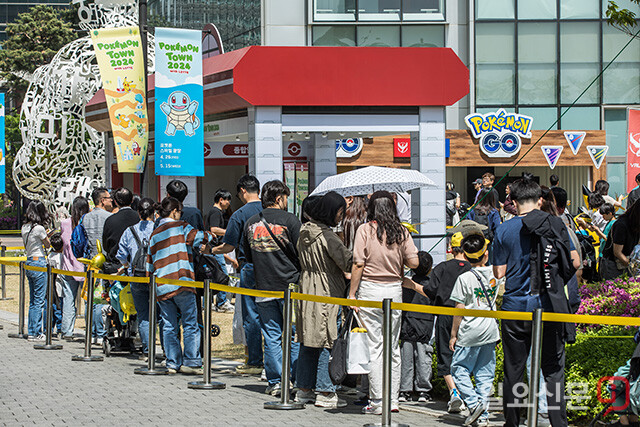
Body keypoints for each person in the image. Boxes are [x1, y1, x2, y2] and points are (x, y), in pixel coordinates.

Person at [493, 177, 580, 427]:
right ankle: (558, 422)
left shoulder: (503, 229)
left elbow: (499, 273)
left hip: (515, 307)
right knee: (553, 370)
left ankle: (512, 423)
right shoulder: (554, 224)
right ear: (540, 200)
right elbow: (574, 263)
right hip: (548, 305)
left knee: (514, 369)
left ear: (513, 201)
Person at [348, 191, 419, 415]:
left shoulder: (365, 230)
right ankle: (393, 400)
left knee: (375, 346)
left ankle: (378, 400)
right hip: (394, 291)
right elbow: (415, 262)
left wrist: (352, 294)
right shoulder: (402, 231)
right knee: (392, 347)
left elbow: (358, 264)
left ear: (371, 207)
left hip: (369, 290)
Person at [243, 180, 301, 396]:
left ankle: (276, 381)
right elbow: (301, 253)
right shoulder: (291, 220)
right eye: (285, 198)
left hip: (263, 287)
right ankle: (294, 379)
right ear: (279, 199)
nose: (287, 202)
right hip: (291, 287)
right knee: (294, 334)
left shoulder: (250, 223)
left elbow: (247, 256)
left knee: (272, 335)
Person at [146, 197, 217, 375]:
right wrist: (210, 235)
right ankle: (191, 362)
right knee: (190, 323)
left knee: (169, 325)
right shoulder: (181, 226)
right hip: (182, 280)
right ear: (175, 211)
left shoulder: (154, 234)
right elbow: (198, 237)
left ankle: (172, 362)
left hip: (162, 284)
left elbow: (149, 264)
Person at [295, 192, 352, 408]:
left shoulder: (304, 230)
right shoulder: (328, 236)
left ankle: (304, 389)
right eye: (340, 211)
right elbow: (348, 263)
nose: (341, 216)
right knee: (327, 340)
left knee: (308, 340)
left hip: (306, 288)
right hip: (327, 290)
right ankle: (325, 391)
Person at [211, 174, 264, 375]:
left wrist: (211, 251)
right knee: (275, 314)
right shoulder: (272, 210)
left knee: (251, 315)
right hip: (275, 269)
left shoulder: (240, 214)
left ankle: (254, 361)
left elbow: (228, 246)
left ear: (243, 190)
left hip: (249, 267)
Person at [449, 234, 501, 427]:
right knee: (485, 374)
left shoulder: (464, 278)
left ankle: (474, 403)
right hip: (490, 330)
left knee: (458, 369)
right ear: (485, 255)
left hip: (470, 331)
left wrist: (453, 335)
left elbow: (459, 309)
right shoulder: (495, 275)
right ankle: (483, 415)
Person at [422, 232, 470, 413]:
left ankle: (454, 392)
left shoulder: (441, 268)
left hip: (445, 315)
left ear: (451, 248)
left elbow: (431, 291)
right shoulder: (472, 268)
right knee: (466, 355)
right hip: (468, 316)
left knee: (445, 355)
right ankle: (467, 393)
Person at [116, 197, 156, 358]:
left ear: (138, 212)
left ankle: (147, 351)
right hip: (157, 276)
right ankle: (168, 352)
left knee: (143, 315)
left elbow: (121, 255)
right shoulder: (158, 229)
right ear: (154, 212)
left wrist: (127, 265)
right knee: (162, 315)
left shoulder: (129, 231)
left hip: (136, 277)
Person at [398, 251, 434, 404]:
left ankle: (404, 390)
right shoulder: (431, 285)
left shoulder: (407, 284)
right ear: (430, 267)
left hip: (407, 324)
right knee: (423, 358)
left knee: (406, 358)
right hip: (425, 326)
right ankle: (423, 390)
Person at [60, 196, 89, 340]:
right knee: (88, 300)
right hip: (84, 267)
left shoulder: (64, 223)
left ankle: (67, 331)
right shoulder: (87, 223)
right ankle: (91, 330)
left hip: (67, 267)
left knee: (68, 300)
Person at [22, 201, 52, 341]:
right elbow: (47, 244)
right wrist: (48, 235)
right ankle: (36, 332)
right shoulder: (39, 228)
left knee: (33, 300)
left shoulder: (24, 227)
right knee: (39, 300)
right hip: (39, 261)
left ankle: (32, 330)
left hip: (29, 261)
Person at [205, 188, 235, 313]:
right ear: (221, 200)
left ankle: (209, 302)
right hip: (214, 249)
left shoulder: (213, 212)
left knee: (211, 275)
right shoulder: (216, 212)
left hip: (210, 248)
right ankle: (222, 302)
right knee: (222, 274)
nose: (228, 203)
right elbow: (214, 229)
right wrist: (230, 232)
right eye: (227, 200)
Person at [102, 187, 139, 274]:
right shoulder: (139, 218)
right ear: (132, 200)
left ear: (115, 202)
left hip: (115, 267)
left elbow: (106, 246)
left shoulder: (110, 220)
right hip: (137, 267)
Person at [600, 200, 640, 280]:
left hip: (626, 263)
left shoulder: (636, 225)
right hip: (613, 265)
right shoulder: (621, 225)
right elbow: (617, 252)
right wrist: (632, 266)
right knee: (614, 289)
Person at [83, 187, 112, 258]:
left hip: (90, 259)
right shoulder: (110, 217)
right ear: (103, 200)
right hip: (106, 259)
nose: (111, 200)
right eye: (109, 198)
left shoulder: (86, 217)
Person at [47, 232, 65, 337]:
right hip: (60, 286)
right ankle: (60, 328)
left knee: (53, 307)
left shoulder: (50, 256)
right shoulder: (61, 257)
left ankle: (50, 327)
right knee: (59, 309)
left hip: (52, 287)